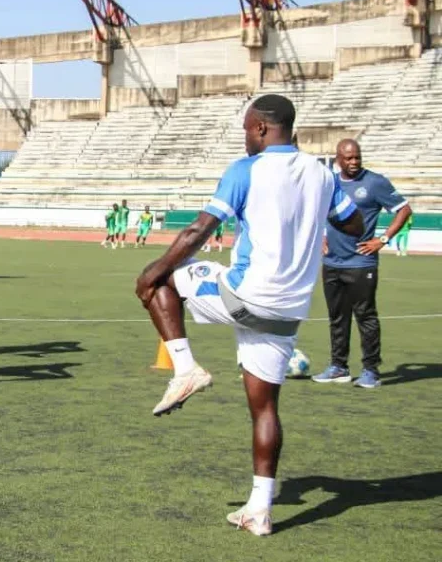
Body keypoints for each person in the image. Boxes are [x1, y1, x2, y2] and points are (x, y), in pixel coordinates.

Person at [134, 95, 363, 536]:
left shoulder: (248, 170)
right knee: (265, 410)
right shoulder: (322, 174)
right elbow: (353, 225)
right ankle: (259, 511)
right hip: (288, 313)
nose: (244, 137)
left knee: (161, 283)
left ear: (260, 128)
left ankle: (185, 369)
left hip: (244, 296)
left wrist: (153, 269)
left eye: (245, 128)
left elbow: (200, 230)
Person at [312, 139, 413, 389]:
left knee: (366, 317)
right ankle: (339, 367)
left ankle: (371, 370)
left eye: (357, 157)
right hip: (332, 262)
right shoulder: (330, 183)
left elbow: (404, 210)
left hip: (361, 262)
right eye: (348, 158)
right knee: (337, 317)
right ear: (338, 159)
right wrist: (321, 236)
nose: (354, 162)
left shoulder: (374, 182)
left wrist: (382, 240)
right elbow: (320, 212)